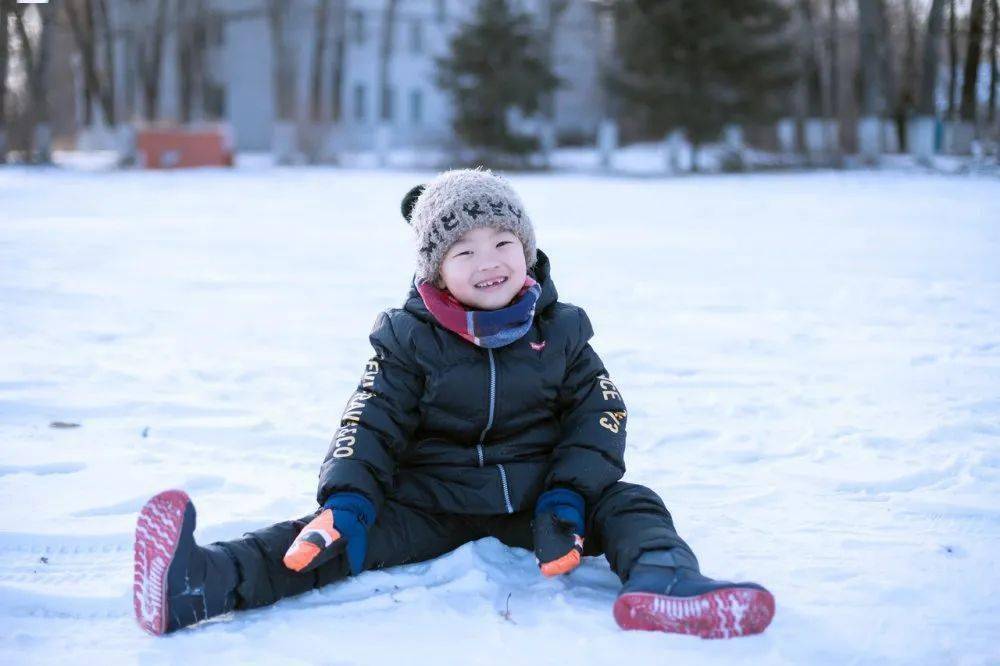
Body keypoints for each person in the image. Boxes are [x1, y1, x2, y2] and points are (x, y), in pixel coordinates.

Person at [133, 168, 774, 639]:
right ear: (437, 273)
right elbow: (370, 421)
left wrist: (568, 497)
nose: (487, 261)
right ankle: (200, 582)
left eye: (502, 242)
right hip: (431, 500)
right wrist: (350, 499)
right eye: (462, 251)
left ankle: (664, 583)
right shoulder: (408, 340)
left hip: (538, 502)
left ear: (527, 250)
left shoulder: (565, 331)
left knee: (631, 503)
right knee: (323, 539)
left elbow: (600, 418)